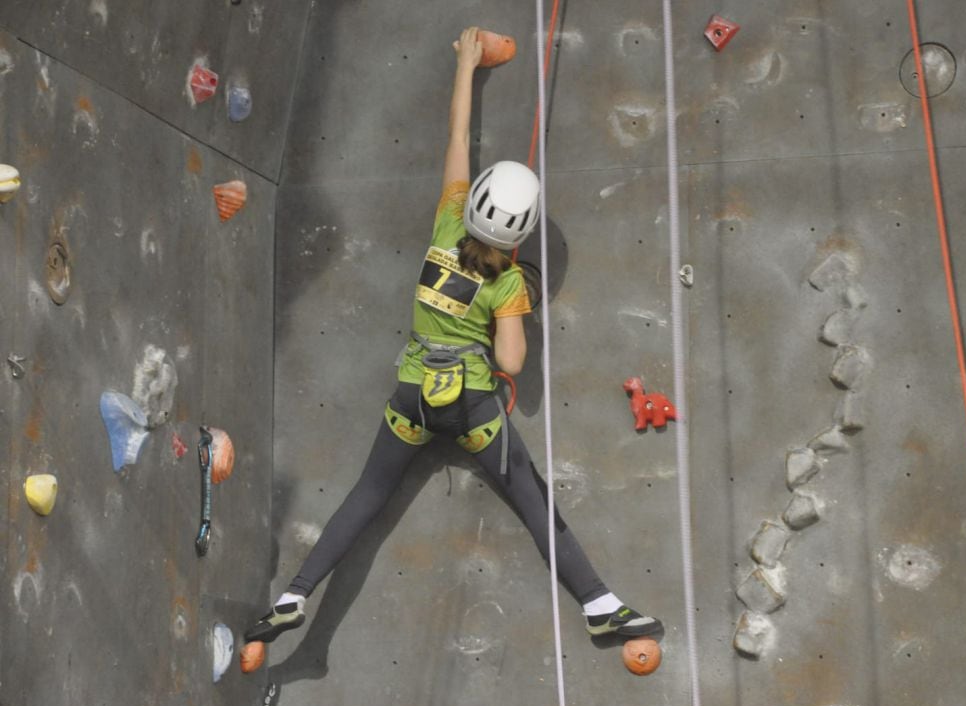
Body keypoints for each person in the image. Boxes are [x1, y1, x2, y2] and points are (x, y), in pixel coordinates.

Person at [245, 26, 660, 648]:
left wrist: (467, 65)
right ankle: (600, 605)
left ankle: (294, 594)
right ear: (518, 232)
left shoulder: (445, 222)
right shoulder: (509, 283)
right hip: (469, 410)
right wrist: (508, 309)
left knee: (368, 495)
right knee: (531, 499)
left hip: (411, 397)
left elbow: (457, 136)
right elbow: (512, 363)